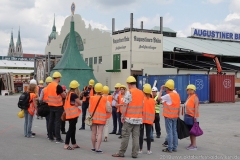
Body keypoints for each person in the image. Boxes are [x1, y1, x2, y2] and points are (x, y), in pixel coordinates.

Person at [112, 76, 144, 158]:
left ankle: (121, 152)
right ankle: (134, 154)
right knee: (136, 137)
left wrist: (122, 116)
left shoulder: (129, 92)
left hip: (129, 119)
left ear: (129, 84)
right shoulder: (141, 92)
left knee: (125, 136)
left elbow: (125, 105)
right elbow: (142, 105)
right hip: (138, 119)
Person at [158, 79, 180, 153]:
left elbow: (158, 98)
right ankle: (175, 147)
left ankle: (170, 148)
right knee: (174, 131)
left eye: (166, 88)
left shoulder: (168, 95)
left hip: (168, 116)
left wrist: (161, 90)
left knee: (169, 132)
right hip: (175, 116)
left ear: (167, 88)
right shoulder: (177, 95)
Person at [89, 83, 111, 153]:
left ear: (95, 90)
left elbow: (89, 109)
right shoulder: (105, 99)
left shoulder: (91, 98)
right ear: (101, 90)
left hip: (93, 118)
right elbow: (108, 109)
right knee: (100, 133)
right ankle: (97, 148)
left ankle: (93, 147)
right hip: (101, 119)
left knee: (93, 133)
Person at [46, 72, 66, 143]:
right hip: (58, 106)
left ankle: (50, 136)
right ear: (58, 78)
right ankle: (58, 138)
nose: (60, 79)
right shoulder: (58, 86)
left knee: (51, 121)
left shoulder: (49, 85)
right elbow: (63, 96)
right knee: (58, 122)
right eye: (60, 77)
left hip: (50, 105)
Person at [64, 80, 82, 150]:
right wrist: (77, 104)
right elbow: (80, 103)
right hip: (73, 114)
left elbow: (71, 103)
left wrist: (75, 104)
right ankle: (66, 144)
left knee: (73, 128)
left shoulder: (68, 93)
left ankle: (74, 143)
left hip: (69, 114)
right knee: (71, 129)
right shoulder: (74, 94)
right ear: (76, 88)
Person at [139, 84, 155, 155]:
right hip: (149, 120)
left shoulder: (141, 100)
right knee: (148, 135)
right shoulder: (152, 101)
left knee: (141, 135)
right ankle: (148, 150)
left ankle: (140, 149)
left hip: (141, 120)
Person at [185, 84, 200, 151]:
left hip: (193, 117)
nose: (186, 90)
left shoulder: (195, 97)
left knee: (193, 132)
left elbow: (196, 107)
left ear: (191, 90)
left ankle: (194, 145)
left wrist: (195, 117)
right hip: (188, 116)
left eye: (187, 89)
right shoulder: (189, 96)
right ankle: (191, 144)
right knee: (190, 131)